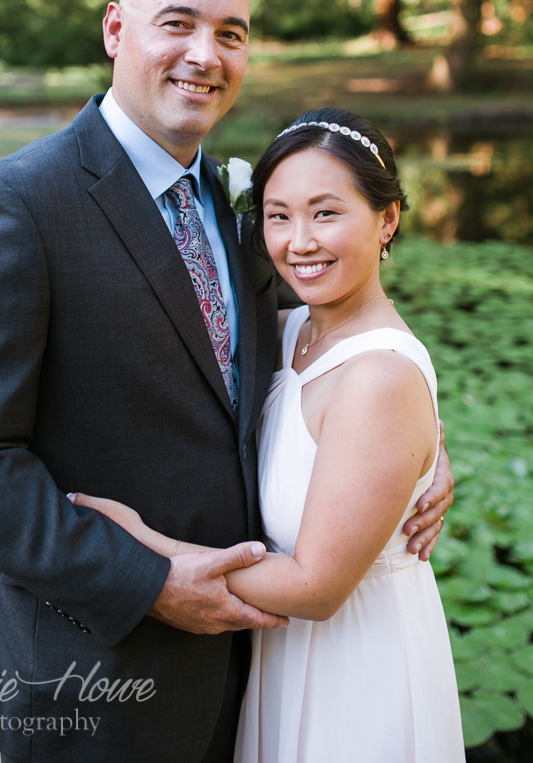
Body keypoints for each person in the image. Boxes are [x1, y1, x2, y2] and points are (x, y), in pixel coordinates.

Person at [0, 0, 453, 763]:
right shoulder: (15, 205)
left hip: (255, 663)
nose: (205, 54)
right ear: (116, 29)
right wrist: (148, 582)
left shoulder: (245, 206)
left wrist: (416, 442)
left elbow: (315, 347)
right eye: (177, 24)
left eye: (230, 33)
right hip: (97, 672)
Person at [70, 107, 465, 762]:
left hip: (355, 671)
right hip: (281, 658)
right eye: (278, 215)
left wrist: (145, 547)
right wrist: (428, 452)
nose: (299, 241)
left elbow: (316, 588)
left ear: (387, 218)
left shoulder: (378, 379)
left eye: (325, 212)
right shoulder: (284, 333)